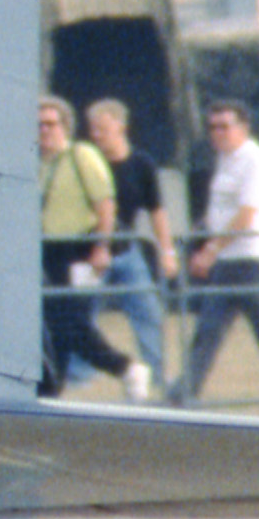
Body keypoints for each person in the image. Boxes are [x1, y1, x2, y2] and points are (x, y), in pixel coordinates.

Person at [177, 101, 259, 407]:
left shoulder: (256, 160)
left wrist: (210, 250)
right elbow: (219, 211)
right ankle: (184, 392)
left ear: (243, 128)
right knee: (209, 329)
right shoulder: (226, 159)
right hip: (228, 259)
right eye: (212, 127)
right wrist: (198, 236)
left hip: (250, 257)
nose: (218, 133)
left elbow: (247, 214)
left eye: (225, 126)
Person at [86, 95, 175, 400]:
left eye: (103, 129)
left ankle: (157, 374)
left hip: (127, 252)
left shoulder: (141, 163)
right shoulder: (88, 163)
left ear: (121, 127)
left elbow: (157, 211)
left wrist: (167, 251)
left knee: (148, 313)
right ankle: (78, 376)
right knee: (81, 315)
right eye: (93, 129)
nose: (96, 135)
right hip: (90, 255)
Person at [35, 98, 123, 396]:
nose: (44, 130)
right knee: (55, 325)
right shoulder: (37, 163)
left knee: (69, 321)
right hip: (47, 252)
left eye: (51, 123)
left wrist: (102, 246)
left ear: (65, 126)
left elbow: (105, 203)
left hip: (78, 250)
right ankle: (51, 392)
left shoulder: (81, 155)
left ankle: (123, 367)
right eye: (39, 124)